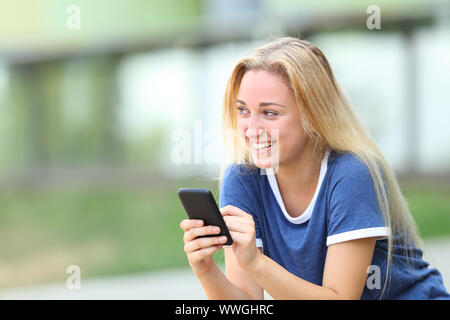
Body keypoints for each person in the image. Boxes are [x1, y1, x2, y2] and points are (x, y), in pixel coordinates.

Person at [179, 37, 450, 299]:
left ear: (312, 114)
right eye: (243, 111)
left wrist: (256, 262)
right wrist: (206, 270)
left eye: (270, 113)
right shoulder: (243, 178)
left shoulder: (351, 174)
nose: (251, 129)